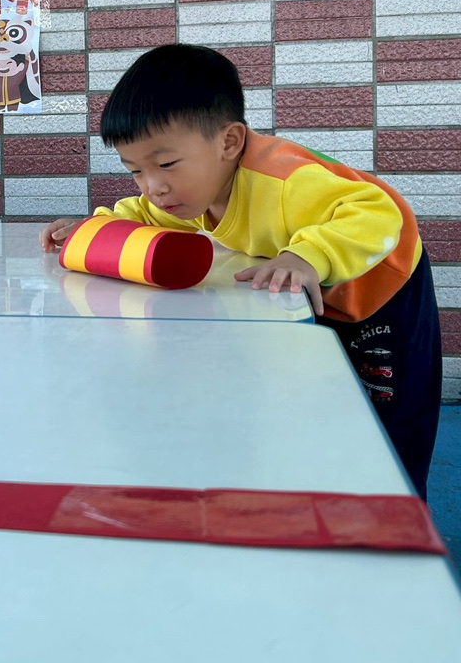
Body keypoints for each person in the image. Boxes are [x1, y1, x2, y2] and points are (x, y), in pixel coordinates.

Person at [40, 44, 442, 499]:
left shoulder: (283, 180)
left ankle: (402, 513)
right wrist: (93, 227)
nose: (154, 187)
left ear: (229, 142)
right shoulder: (190, 192)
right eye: (136, 171)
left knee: (391, 414)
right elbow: (140, 213)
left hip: (380, 289)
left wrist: (308, 255)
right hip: (311, 288)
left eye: (166, 164)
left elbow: (379, 211)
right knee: (327, 402)